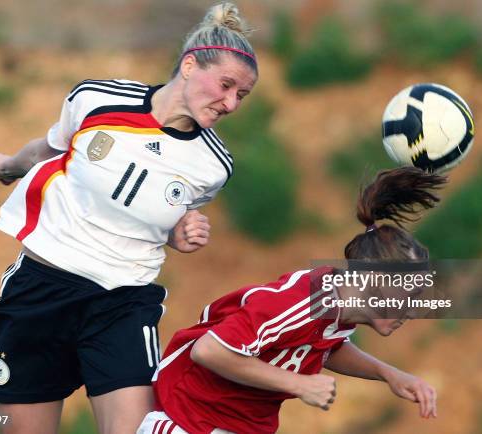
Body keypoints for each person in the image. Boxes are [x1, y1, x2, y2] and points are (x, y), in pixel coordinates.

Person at [0, 3, 257, 434]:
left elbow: (159, 216)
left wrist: (178, 234)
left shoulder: (214, 164)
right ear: (188, 65)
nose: (231, 103)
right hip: (41, 289)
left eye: (241, 95)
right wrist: (6, 166)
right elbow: (49, 151)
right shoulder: (96, 98)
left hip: (122, 301)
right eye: (226, 86)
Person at [138, 167, 445, 434]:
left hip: (239, 425)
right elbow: (210, 350)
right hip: (188, 420)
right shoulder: (297, 305)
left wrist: (390, 374)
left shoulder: (339, 305)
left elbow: (325, 347)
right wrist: (299, 384)